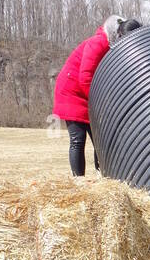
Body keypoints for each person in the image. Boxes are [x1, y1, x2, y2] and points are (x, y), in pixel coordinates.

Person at [52, 15, 138, 177]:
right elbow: (85, 78)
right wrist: (101, 105)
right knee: (78, 140)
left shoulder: (113, 48)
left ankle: (103, 178)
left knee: (101, 142)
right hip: (72, 92)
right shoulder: (98, 43)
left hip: (89, 94)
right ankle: (79, 182)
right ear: (120, 36)